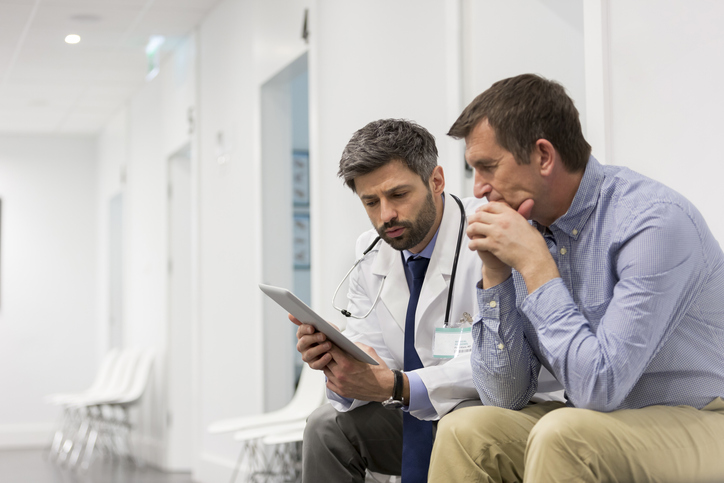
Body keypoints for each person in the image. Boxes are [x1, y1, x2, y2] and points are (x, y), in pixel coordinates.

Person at [427, 73, 724, 482]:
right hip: (599, 420)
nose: (478, 189)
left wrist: (536, 268)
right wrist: (496, 274)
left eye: (488, 167)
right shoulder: (528, 231)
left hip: (705, 419)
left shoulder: (652, 222)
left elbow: (599, 389)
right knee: (466, 431)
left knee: (564, 435)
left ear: (544, 156)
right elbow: (503, 396)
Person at [292, 118, 485, 483]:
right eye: (370, 201)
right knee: (325, 426)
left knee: (463, 423)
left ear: (436, 180)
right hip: (411, 415)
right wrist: (342, 360)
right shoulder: (370, 252)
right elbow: (378, 359)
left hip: (481, 411)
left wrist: (398, 385)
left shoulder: (484, 234)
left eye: (398, 195)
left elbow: (500, 364)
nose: (386, 216)